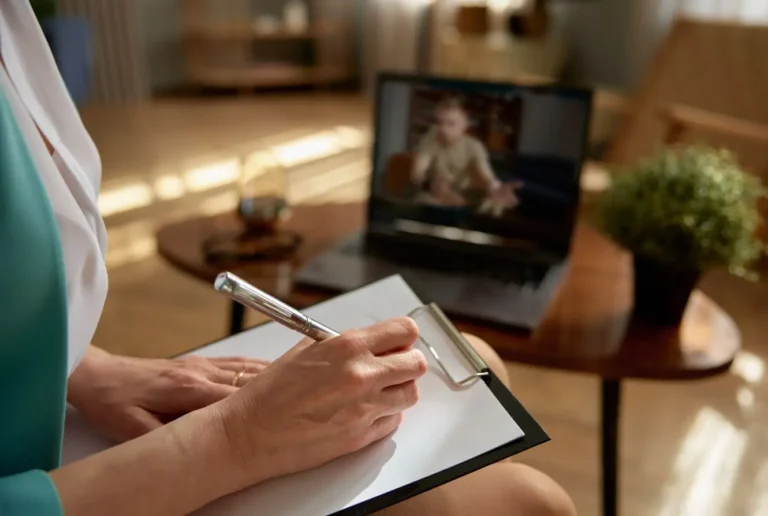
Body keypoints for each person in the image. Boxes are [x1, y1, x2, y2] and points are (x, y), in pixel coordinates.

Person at [0, 3, 576, 515]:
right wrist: (236, 439)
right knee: (533, 502)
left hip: (37, 421)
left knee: (476, 364)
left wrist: (87, 368)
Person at [410, 97, 522, 214]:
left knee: (496, 206)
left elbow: (486, 174)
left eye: (451, 123)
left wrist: (496, 187)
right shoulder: (430, 138)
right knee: (423, 203)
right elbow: (419, 168)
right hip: (434, 194)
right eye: (439, 122)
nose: (443, 129)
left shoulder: (474, 145)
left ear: (465, 125)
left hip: (464, 193)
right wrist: (423, 179)